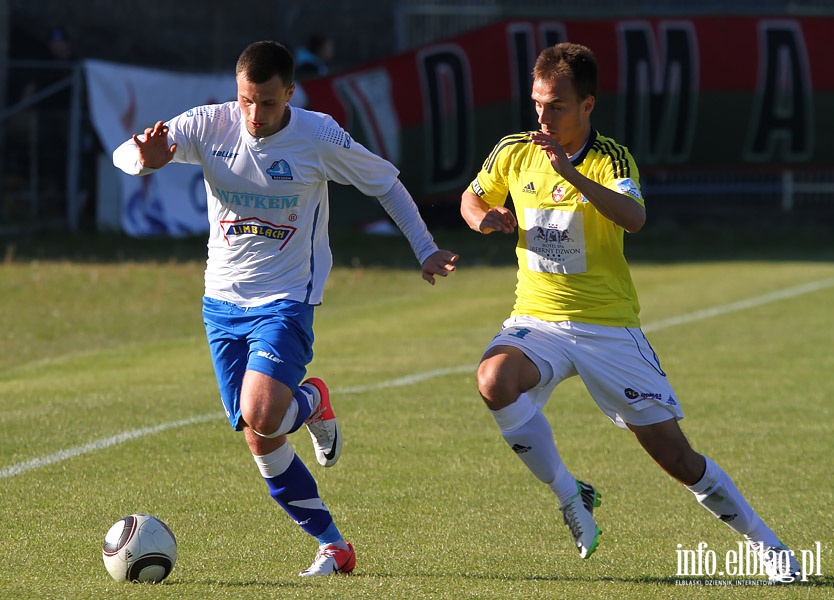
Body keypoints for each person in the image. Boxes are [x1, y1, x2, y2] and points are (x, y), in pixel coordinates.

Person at [459, 42, 801, 583]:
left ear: (588, 105)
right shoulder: (514, 150)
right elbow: (471, 197)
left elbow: (634, 217)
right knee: (493, 378)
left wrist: (569, 175)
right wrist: (485, 218)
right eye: (537, 104)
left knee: (677, 459)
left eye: (557, 106)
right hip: (539, 319)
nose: (543, 117)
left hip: (607, 329)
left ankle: (769, 546)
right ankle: (572, 496)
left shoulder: (610, 158)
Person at [114, 40, 458, 577]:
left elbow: (385, 181)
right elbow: (124, 152)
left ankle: (308, 401)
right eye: (247, 100)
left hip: (286, 297)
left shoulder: (317, 135)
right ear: (237, 91)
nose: (255, 114)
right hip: (220, 301)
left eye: (268, 103)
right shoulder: (209, 124)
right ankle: (334, 544)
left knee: (263, 413)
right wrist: (143, 161)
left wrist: (425, 248)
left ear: (290, 94)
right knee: (259, 435)